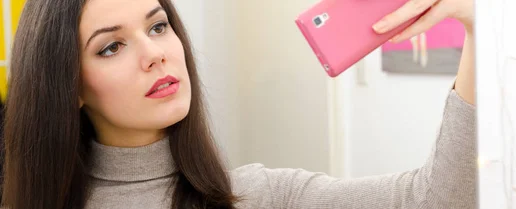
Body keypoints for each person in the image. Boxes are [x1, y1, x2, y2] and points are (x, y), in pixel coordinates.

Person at [1, 0, 475, 208]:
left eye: (158, 26)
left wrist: (474, 26)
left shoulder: (259, 196)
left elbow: (438, 200)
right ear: (69, 86)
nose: (156, 54)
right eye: (111, 47)